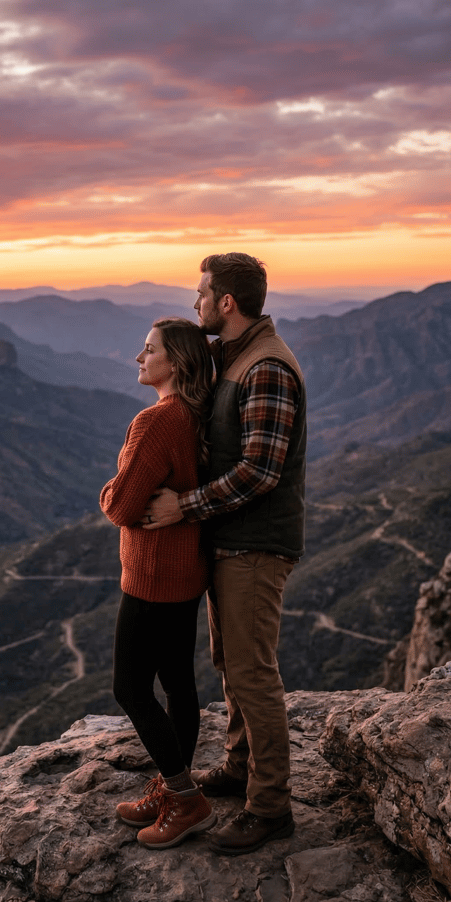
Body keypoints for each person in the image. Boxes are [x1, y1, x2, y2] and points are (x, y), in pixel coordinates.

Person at [144, 253, 307, 856]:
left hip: (256, 542)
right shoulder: (234, 357)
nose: (196, 305)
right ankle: (241, 768)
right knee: (230, 661)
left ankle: (270, 808)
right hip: (231, 539)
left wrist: (183, 505)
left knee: (252, 673)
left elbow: (260, 470)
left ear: (227, 304)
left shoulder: (266, 368)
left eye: (202, 295)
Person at [100, 317, 215, 849]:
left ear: (176, 363)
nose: (138, 358)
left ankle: (184, 797)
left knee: (129, 688)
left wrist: (109, 490)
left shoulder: (155, 421)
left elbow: (120, 505)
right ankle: (176, 786)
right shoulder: (195, 415)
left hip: (150, 579)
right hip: (185, 573)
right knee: (178, 685)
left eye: (148, 351)